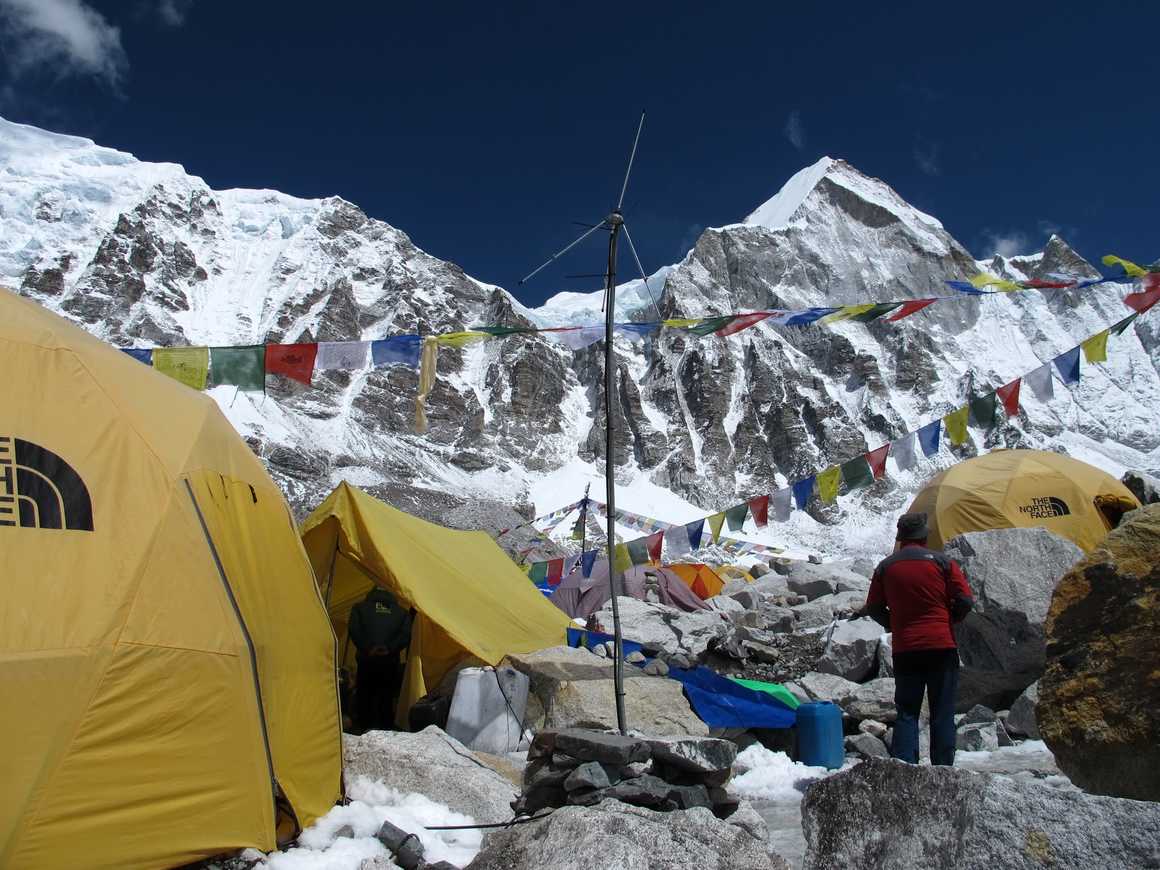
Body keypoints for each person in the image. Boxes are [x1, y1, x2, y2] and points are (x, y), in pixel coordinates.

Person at [858, 512, 974, 766]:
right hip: (942, 645)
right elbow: (965, 600)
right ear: (924, 535)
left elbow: (874, 606)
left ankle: (906, 768)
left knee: (907, 712)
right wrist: (950, 620)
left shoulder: (886, 567)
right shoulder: (943, 563)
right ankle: (943, 768)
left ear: (900, 537)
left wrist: (895, 625)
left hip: (906, 648)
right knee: (942, 710)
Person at [348, 586, 413, 733]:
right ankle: (385, 729)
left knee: (364, 694)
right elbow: (405, 635)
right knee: (386, 696)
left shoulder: (359, 608)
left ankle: (363, 727)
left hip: (366, 660)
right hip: (389, 661)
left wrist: (368, 648)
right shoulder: (402, 612)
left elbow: (354, 629)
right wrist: (389, 648)